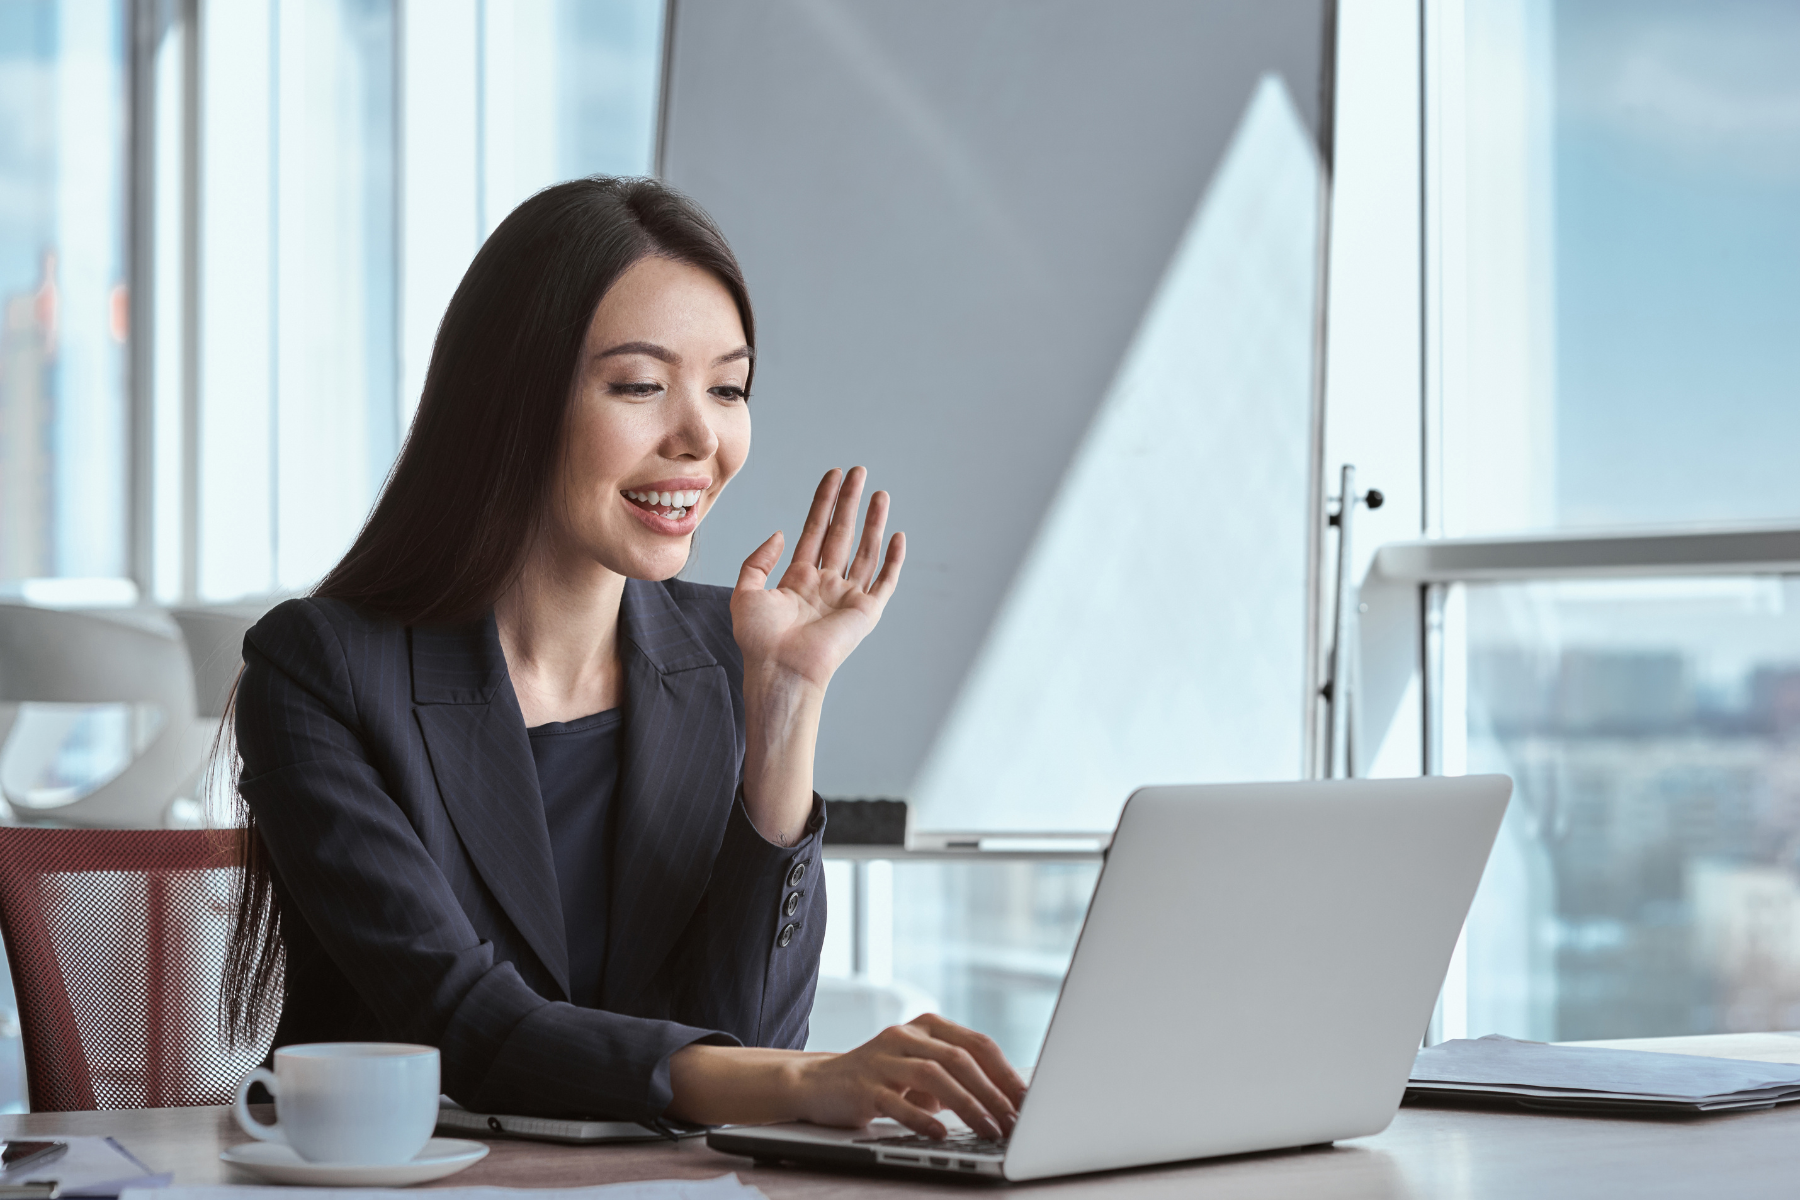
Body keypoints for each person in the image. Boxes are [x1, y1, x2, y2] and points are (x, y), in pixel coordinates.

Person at [224, 177, 1024, 1141]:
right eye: (641, 386)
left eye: (728, 388)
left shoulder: (728, 650)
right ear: (511, 402)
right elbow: (463, 1030)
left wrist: (788, 703)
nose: (701, 439)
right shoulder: (321, 672)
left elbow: (750, 1033)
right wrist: (811, 1080)